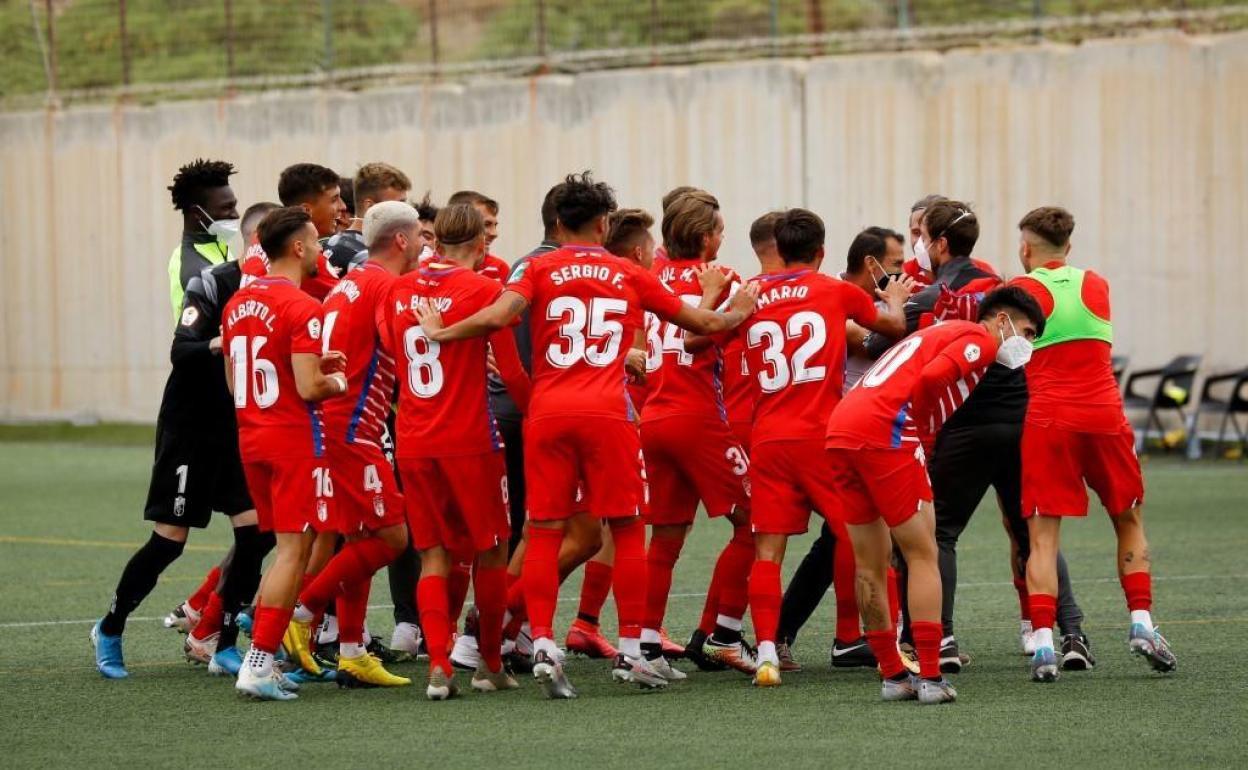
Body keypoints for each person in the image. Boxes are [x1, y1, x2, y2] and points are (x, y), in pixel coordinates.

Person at [414, 171, 759, 698]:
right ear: (603, 224)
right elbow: (703, 325)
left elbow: (500, 316)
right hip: (607, 412)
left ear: (556, 221)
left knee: (546, 533)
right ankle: (632, 649)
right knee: (625, 530)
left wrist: (443, 331)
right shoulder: (626, 271)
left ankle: (547, 643)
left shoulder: (536, 266)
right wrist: (740, 305)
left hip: (549, 414)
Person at [876, 200, 1087, 673]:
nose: (917, 243)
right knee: (1035, 532)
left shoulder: (929, 296)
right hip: (1020, 419)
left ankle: (937, 638)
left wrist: (885, 309)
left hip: (967, 426)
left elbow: (880, 344)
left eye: (921, 233)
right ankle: (1068, 632)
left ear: (940, 242)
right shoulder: (999, 284)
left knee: (937, 535)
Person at [709, 208, 908, 688]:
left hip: (769, 438)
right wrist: (897, 299)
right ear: (821, 252)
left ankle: (768, 654)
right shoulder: (836, 291)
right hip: (823, 437)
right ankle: (892, 649)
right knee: (869, 544)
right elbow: (893, 330)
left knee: (767, 551)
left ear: (779, 245)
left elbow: (698, 339)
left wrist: (723, 304)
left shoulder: (752, 295)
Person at [825, 286, 1047, 705]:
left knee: (870, 563)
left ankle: (893, 674)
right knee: (923, 552)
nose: (1027, 344)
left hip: (843, 427)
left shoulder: (941, 332)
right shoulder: (980, 338)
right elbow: (929, 380)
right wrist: (919, 430)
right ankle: (930, 675)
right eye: (1028, 332)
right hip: (886, 431)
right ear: (1003, 320)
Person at [89, 196, 256, 680]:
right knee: (170, 541)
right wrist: (218, 342)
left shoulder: (281, 290)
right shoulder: (213, 282)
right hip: (190, 426)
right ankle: (110, 627)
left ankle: (221, 641)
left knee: (255, 531)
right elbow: (180, 350)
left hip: (236, 427)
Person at [1011, 206, 1176, 682]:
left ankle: (1043, 643)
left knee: (1042, 536)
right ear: (1069, 245)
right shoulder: (1097, 284)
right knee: (1128, 518)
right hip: (1104, 416)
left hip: (1048, 421)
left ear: (1026, 248)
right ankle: (1142, 624)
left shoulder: (1020, 291)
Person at [279, 201, 424, 689]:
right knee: (392, 537)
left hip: (335, 423)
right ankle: (302, 613)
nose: (425, 246)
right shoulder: (388, 286)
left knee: (362, 537)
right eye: (421, 237)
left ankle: (352, 651)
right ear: (402, 241)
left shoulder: (351, 282)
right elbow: (400, 345)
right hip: (354, 427)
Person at [392, 203, 533, 699]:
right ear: (481, 245)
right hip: (470, 440)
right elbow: (512, 373)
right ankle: (489, 664)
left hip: (413, 439)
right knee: (491, 551)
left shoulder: (397, 290)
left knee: (433, 555)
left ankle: (437, 666)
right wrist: (537, 416)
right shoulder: (483, 290)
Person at [221, 206, 349, 701]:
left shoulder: (238, 302)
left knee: (285, 548)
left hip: (252, 436)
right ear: (297, 248)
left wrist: (313, 367)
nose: (320, 249)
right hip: (294, 440)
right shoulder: (302, 306)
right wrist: (337, 377)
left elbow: (236, 380)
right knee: (296, 550)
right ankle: (257, 662)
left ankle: (260, 655)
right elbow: (310, 386)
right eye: (316, 241)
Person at [772, 226, 909, 673]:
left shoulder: (815, 292)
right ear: (870, 264)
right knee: (865, 536)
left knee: (837, 542)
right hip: (835, 431)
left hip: (831, 429)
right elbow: (874, 338)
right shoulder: (834, 293)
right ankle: (861, 638)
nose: (901, 274)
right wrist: (903, 309)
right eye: (894, 266)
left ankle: (781, 635)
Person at [638, 190, 753, 679]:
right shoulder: (724, 279)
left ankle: (644, 645)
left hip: (654, 416)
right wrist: (742, 310)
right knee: (757, 520)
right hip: (697, 416)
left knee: (663, 538)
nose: (723, 239)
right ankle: (724, 635)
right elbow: (697, 335)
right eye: (720, 231)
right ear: (706, 237)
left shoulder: (649, 277)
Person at [684, 211, 785, 672]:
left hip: (740, 420)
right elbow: (693, 338)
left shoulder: (739, 290)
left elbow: (695, 338)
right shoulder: (743, 291)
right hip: (756, 426)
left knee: (747, 531)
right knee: (755, 530)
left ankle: (709, 633)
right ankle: (722, 632)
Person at [165, 158, 239, 323]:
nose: (236, 214)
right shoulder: (193, 267)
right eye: (227, 208)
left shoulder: (216, 245)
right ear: (197, 214)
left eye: (234, 205)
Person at [321, 162, 412, 276]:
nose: (405, 212)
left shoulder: (372, 246)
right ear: (370, 207)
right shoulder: (349, 250)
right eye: (398, 205)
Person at [447, 190, 510, 282]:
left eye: (495, 225)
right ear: (458, 223)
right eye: (486, 224)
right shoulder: (430, 268)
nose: (494, 234)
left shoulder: (499, 268)